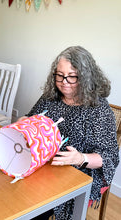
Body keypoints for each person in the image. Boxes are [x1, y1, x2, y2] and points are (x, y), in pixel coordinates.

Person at [19, 46, 119, 220]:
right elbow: (31, 117)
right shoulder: (51, 96)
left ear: (87, 77)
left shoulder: (98, 109)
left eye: (72, 76)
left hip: (79, 171)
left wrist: (81, 158)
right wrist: (23, 122)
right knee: (15, 192)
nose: (64, 81)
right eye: (59, 75)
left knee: (32, 206)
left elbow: (110, 157)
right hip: (45, 161)